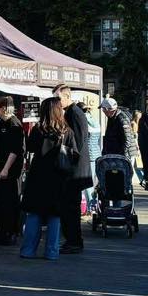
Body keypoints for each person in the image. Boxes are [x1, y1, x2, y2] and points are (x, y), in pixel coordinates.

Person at [22, 97, 72, 260]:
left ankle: (28, 250)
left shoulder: (38, 129)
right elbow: (74, 154)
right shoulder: (67, 131)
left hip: (38, 176)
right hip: (58, 176)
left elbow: (29, 147)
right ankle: (52, 251)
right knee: (54, 216)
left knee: (34, 213)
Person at [57, 85, 95, 254]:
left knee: (70, 207)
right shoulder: (72, 113)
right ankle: (72, 240)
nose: (57, 104)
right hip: (74, 169)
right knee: (69, 206)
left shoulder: (75, 113)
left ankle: (74, 241)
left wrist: (65, 158)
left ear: (66, 97)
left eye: (58, 99)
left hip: (75, 170)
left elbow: (77, 143)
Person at [0, 96, 25, 244]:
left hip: (11, 168)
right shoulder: (1, 124)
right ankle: (1, 230)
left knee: (10, 199)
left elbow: (15, 150)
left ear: (4, 108)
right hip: (1, 164)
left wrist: (5, 169)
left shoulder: (14, 124)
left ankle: (11, 232)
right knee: (1, 199)